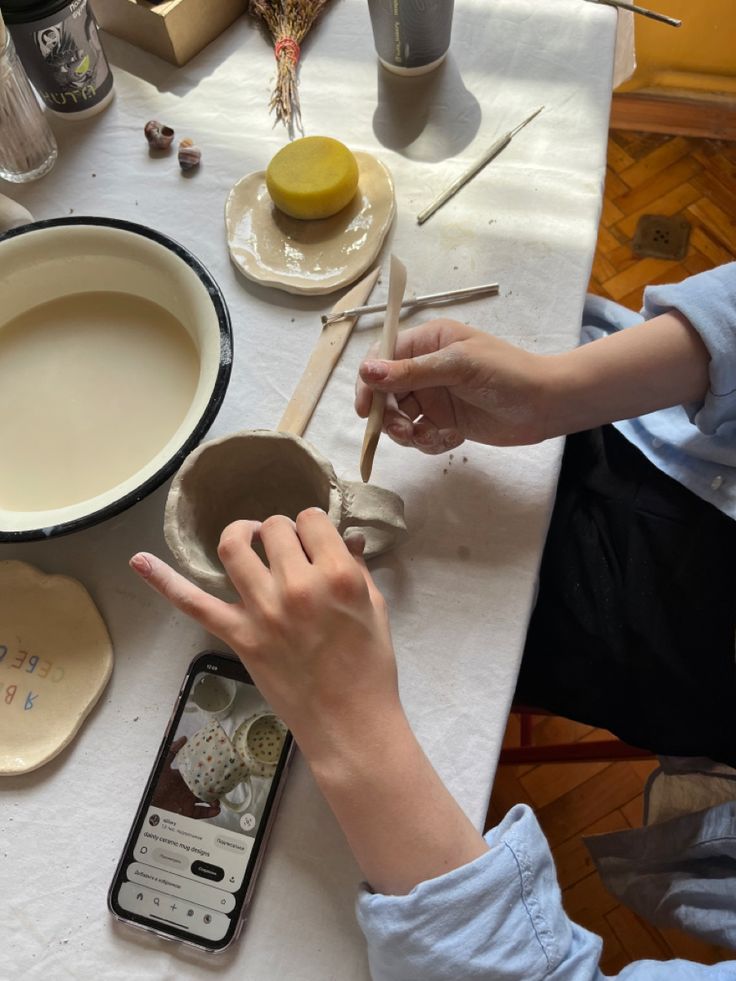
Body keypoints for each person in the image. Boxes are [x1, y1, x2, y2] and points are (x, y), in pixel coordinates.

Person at [128, 263, 736, 977]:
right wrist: (556, 392)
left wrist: (349, 723)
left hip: (689, 663)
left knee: (475, 653)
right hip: (661, 444)